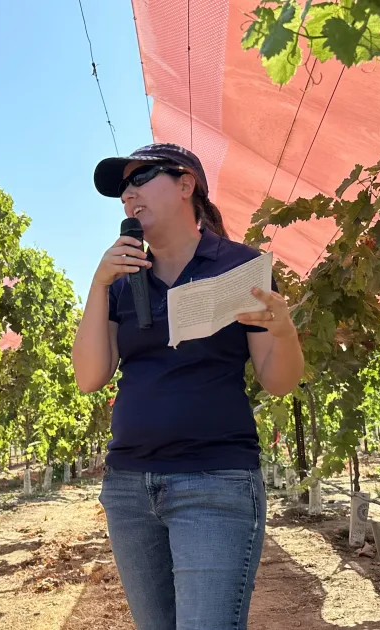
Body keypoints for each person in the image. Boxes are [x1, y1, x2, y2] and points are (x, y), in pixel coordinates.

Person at [72, 143, 304, 629]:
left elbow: (278, 382)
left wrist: (282, 330)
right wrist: (97, 285)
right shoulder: (120, 280)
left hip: (214, 482)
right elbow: (90, 376)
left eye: (141, 178)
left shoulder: (240, 268)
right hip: (130, 489)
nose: (128, 194)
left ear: (186, 184)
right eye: (122, 189)